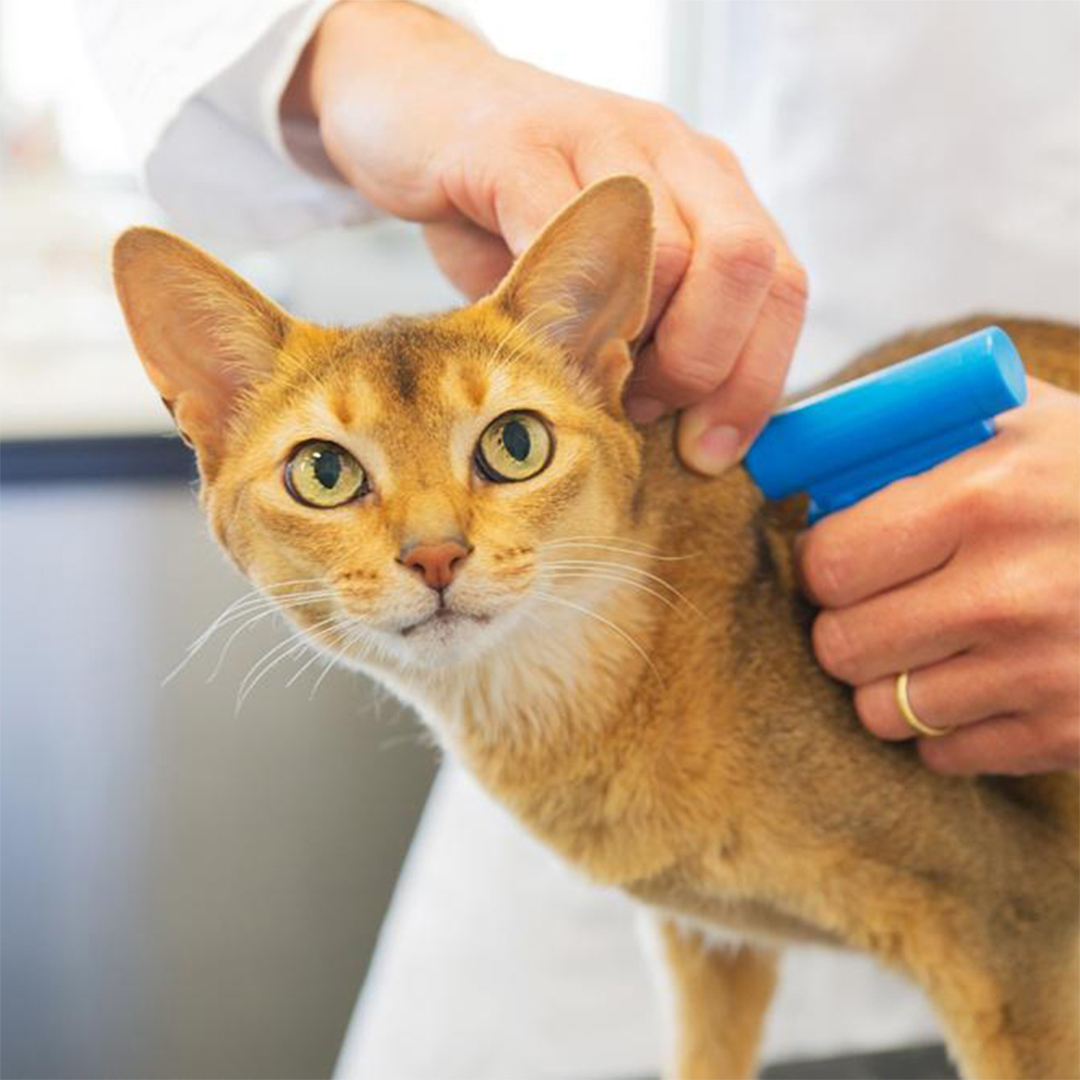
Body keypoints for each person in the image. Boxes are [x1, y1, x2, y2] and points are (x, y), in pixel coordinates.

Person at [82, 2, 1080, 1075]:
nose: (433, 545)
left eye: (505, 447)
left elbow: (1020, 924)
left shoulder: (702, 659)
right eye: (329, 474)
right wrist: (397, 66)